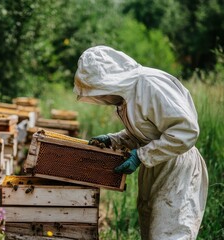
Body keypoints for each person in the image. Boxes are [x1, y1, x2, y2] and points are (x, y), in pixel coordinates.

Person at [74, 45, 208, 240]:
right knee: (152, 231)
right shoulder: (128, 96)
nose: (100, 97)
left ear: (109, 81)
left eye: (99, 91)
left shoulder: (150, 84)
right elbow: (147, 132)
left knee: (171, 234)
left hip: (177, 168)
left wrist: (142, 155)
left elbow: (186, 131)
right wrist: (115, 139)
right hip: (154, 166)